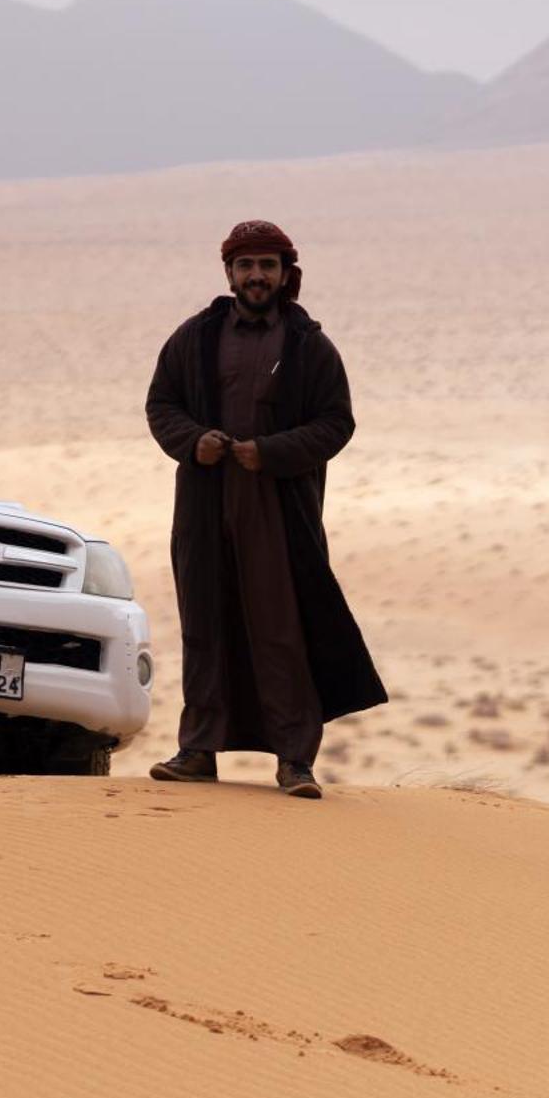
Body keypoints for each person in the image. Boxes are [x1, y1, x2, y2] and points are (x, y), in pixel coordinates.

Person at [143, 220, 385, 798]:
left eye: (267, 266)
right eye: (246, 266)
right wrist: (193, 442)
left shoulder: (309, 346)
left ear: (285, 274)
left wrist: (271, 453)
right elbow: (161, 403)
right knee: (205, 622)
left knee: (281, 629)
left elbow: (336, 422)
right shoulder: (194, 338)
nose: (256, 276)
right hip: (205, 504)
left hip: (277, 509)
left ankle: (294, 761)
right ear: (228, 273)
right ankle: (197, 750)